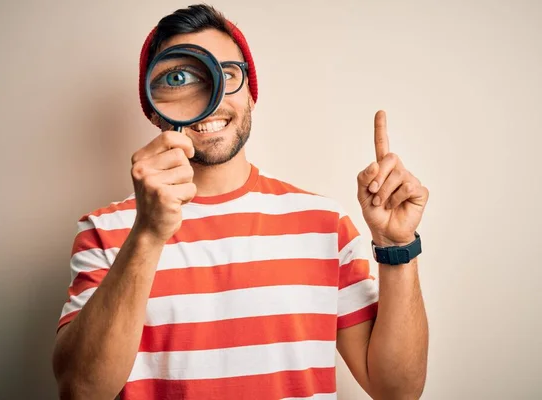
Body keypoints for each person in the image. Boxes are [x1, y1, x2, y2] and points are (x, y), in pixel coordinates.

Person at [52, 4, 430, 400]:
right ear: (152, 108)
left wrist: (396, 247)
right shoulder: (106, 232)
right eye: (179, 78)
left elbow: (397, 392)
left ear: (251, 92)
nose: (210, 99)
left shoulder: (324, 224)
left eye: (226, 74)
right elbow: (80, 392)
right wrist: (146, 235)